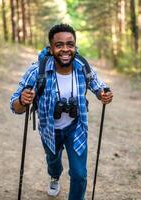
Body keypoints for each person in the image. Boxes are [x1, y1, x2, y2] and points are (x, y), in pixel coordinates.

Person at [10, 23, 113, 200]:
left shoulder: (83, 67)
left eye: (70, 44)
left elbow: (100, 88)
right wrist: (22, 100)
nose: (65, 49)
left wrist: (105, 95)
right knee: (53, 161)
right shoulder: (37, 71)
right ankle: (55, 176)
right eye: (59, 45)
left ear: (75, 47)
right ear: (51, 49)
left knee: (80, 175)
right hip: (50, 129)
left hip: (76, 128)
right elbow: (14, 105)